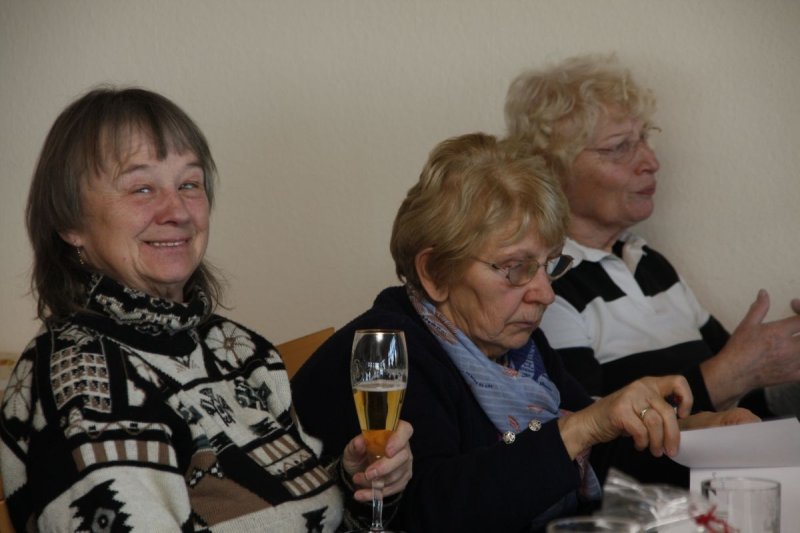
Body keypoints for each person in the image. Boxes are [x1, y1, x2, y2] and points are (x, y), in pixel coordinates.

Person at [291, 133, 756, 533]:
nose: (545, 294)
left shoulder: (516, 349)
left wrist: (698, 436)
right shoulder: (384, 353)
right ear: (434, 272)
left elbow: (596, 460)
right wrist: (581, 427)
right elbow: (428, 514)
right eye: (515, 268)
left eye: (549, 264)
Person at [0, 87, 412, 532]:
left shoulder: (238, 349)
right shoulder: (80, 377)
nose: (177, 210)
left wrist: (356, 485)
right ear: (69, 223)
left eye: (189, 185)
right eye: (142, 188)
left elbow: (304, 516)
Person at [504, 53, 800, 419]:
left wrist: (776, 368)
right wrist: (731, 374)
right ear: (551, 169)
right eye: (619, 147)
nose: (651, 162)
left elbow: (745, 405)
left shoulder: (649, 264)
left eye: (644, 138)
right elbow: (585, 435)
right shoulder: (547, 285)